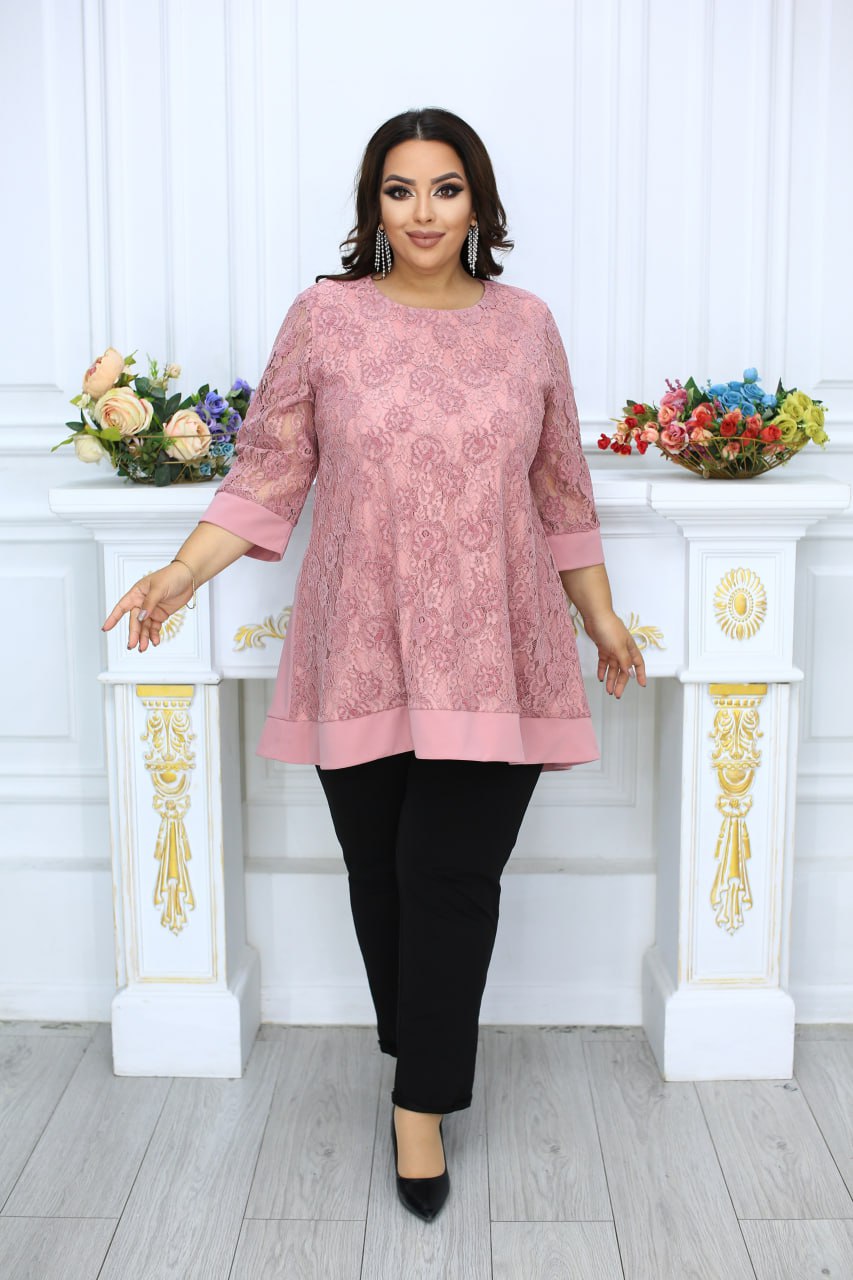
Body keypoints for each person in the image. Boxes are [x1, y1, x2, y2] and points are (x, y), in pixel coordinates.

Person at [102, 106, 647, 1223]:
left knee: (450, 873)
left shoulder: (527, 327)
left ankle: (419, 1104)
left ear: (477, 202)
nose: (423, 213)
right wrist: (180, 574)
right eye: (400, 191)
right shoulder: (326, 319)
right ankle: (420, 1046)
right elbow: (269, 468)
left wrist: (599, 617)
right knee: (382, 873)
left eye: (445, 189)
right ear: (374, 206)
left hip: (495, 647)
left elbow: (559, 488)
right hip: (358, 641)